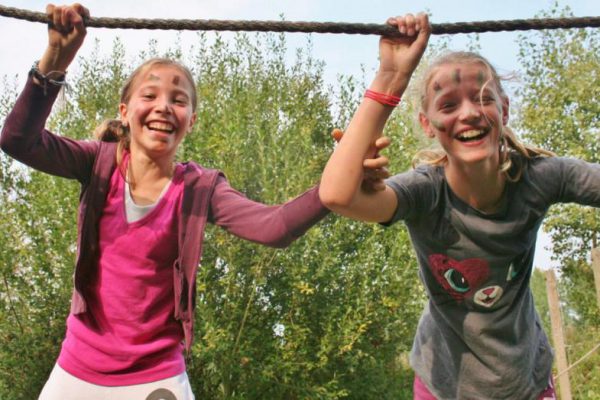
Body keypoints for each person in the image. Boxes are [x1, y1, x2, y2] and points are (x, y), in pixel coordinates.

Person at [0, 4, 389, 400]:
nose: (164, 106)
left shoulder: (199, 189)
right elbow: (18, 140)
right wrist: (56, 59)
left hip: (156, 376)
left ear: (192, 121)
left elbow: (275, 227)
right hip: (78, 370)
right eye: (149, 95)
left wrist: (342, 174)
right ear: (125, 112)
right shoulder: (97, 163)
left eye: (178, 100)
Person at [319, 12, 600, 400]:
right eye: (448, 105)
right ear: (427, 124)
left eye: (483, 99)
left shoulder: (540, 178)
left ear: (504, 109)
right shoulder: (425, 193)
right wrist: (391, 76)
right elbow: (337, 194)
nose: (468, 112)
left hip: (527, 384)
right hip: (443, 385)